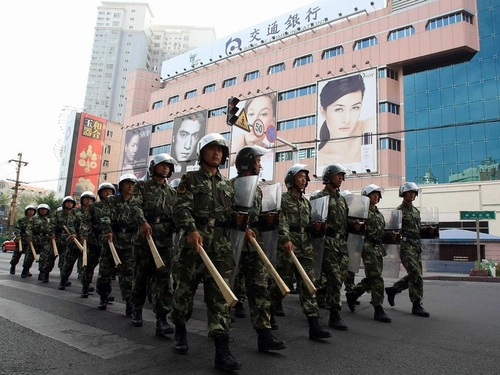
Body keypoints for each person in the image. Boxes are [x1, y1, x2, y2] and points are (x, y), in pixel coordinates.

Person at [170, 133, 242, 372]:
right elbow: (180, 208)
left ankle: (222, 352)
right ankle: (180, 329)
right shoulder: (189, 179)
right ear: (202, 152)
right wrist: (190, 229)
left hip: (220, 247)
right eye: (212, 149)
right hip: (193, 246)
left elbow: (231, 215)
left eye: (220, 150)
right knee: (184, 294)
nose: (217, 153)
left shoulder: (227, 185)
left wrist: (244, 224)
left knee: (220, 298)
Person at [231, 145, 286, 352]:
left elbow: (258, 219)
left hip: (255, 248)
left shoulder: (258, 190)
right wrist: (240, 228)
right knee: (226, 289)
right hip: (233, 246)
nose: (260, 165)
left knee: (259, 289)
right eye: (257, 160)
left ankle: (264, 335)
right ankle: (221, 330)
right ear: (246, 162)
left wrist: (270, 220)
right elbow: (226, 215)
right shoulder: (231, 186)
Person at [268, 163, 332, 341]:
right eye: (300, 176)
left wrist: (317, 228)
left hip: (305, 246)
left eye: (305, 177)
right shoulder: (283, 199)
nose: (304, 180)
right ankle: (268, 311)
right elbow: (282, 221)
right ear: (291, 179)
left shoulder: (306, 202)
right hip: (289, 247)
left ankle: (314, 325)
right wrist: (286, 239)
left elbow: (309, 224)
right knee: (283, 285)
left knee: (308, 285)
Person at [129, 153, 177, 337]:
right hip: (144, 240)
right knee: (141, 276)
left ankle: (161, 319)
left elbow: (177, 214)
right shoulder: (142, 187)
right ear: (153, 167)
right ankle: (137, 309)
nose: (165, 168)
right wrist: (142, 222)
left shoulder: (172, 192)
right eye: (162, 165)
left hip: (164, 240)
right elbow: (134, 206)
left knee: (164, 280)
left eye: (168, 166)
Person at [310, 163, 361, 331]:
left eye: (342, 175)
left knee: (340, 277)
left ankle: (319, 300)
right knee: (334, 277)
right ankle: (334, 314)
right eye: (338, 175)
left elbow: (345, 221)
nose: (341, 178)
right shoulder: (320, 197)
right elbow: (313, 221)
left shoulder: (341, 200)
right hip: (328, 243)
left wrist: (355, 225)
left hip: (341, 245)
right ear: (329, 176)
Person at [385, 182, 437, 318]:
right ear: (403, 193)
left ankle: (393, 289)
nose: (413, 194)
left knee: (416, 275)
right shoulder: (398, 211)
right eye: (410, 192)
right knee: (416, 274)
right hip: (405, 245)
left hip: (416, 246)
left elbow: (418, 230)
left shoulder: (416, 211)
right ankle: (416, 304)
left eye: (414, 192)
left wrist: (429, 230)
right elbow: (392, 229)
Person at [346, 184, 392, 323]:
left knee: (373, 276)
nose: (376, 196)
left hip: (377, 247)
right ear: (366, 196)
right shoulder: (361, 211)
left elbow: (382, 232)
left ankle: (353, 294)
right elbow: (350, 223)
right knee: (377, 277)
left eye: (378, 194)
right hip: (366, 246)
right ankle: (378, 308)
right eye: (373, 194)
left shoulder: (378, 213)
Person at [317, 74, 375, 171]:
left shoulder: (369, 127)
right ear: (323, 112)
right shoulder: (321, 160)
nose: (347, 120)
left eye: (355, 108)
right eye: (339, 109)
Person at [99, 173, 137, 315]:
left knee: (128, 273)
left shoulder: (136, 202)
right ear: (121, 186)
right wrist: (107, 230)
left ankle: (129, 302)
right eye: (127, 183)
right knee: (105, 271)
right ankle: (103, 297)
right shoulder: (111, 200)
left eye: (133, 184)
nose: (130, 186)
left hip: (128, 241)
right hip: (112, 240)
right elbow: (105, 216)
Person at [79, 183, 116, 298]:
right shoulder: (93, 207)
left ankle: (105, 292)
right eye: (105, 191)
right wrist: (84, 233)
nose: (108, 193)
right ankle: (85, 285)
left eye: (110, 191)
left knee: (107, 268)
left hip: (110, 240)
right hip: (95, 239)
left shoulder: (116, 206)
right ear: (100, 193)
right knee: (89, 265)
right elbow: (85, 221)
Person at [230, 93, 277, 180]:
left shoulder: (270, 151)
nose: (255, 120)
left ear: (272, 121)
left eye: (263, 114)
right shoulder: (237, 144)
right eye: (251, 114)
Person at [26, 204, 54, 283]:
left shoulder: (49, 220)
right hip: (34, 239)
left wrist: (52, 235)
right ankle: (26, 269)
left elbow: (51, 229)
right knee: (29, 256)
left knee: (44, 257)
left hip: (45, 240)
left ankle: (42, 272)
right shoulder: (33, 219)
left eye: (45, 210)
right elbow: (29, 228)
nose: (43, 211)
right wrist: (29, 237)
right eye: (41, 209)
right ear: (38, 210)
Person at [52, 196, 76, 287]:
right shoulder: (58, 214)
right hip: (56, 238)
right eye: (67, 202)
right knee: (50, 257)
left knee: (64, 259)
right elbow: (52, 225)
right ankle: (44, 272)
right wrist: (52, 234)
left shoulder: (74, 214)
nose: (69, 204)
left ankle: (64, 278)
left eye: (71, 203)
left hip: (67, 239)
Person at [11, 205, 36, 276]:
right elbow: (17, 229)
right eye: (29, 210)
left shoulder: (35, 221)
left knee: (29, 257)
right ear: (26, 211)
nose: (31, 212)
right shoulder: (21, 220)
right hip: (21, 241)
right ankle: (13, 266)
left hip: (30, 241)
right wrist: (18, 236)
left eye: (32, 210)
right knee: (16, 255)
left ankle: (26, 270)